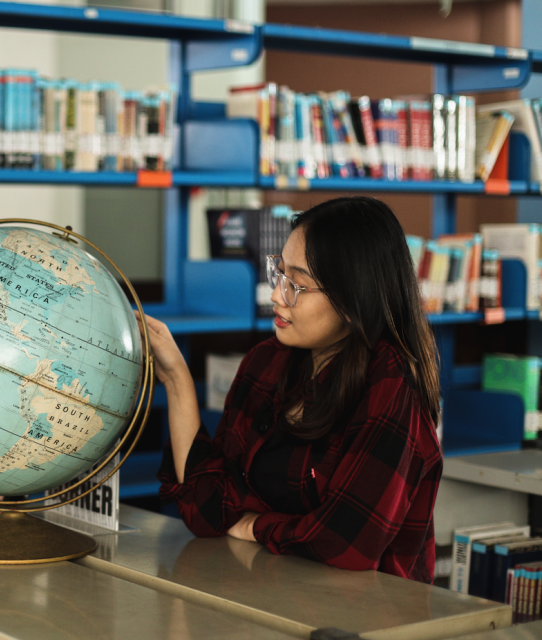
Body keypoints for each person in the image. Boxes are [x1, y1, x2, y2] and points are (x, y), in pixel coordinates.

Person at [145, 196, 442, 582]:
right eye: (278, 273)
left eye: (297, 285)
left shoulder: (392, 385)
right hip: (267, 594)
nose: (276, 296)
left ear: (354, 298)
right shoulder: (266, 362)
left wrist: (255, 526)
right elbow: (208, 510)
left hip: (366, 621)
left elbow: (345, 544)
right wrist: (176, 381)